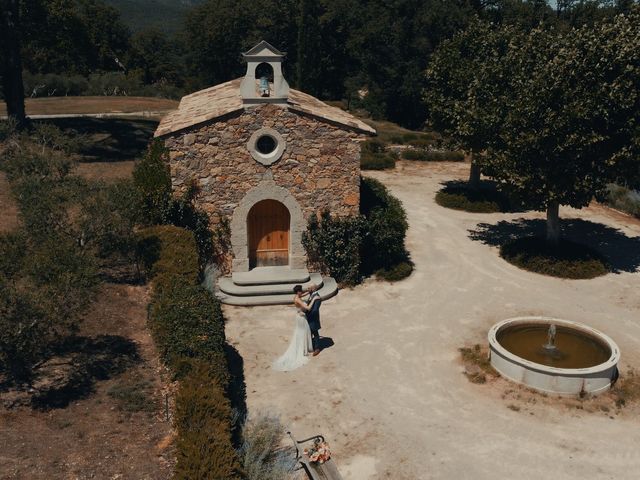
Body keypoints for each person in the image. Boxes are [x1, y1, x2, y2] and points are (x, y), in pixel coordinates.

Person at [272, 285, 314, 371]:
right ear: (298, 291)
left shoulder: (297, 296)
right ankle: (302, 349)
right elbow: (308, 308)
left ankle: (303, 347)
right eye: (301, 290)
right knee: (302, 332)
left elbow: (303, 295)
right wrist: (314, 299)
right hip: (301, 318)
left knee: (301, 332)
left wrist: (309, 291)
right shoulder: (297, 299)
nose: (302, 292)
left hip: (299, 316)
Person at [305, 283, 322, 356]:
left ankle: (317, 348)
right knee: (310, 332)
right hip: (310, 317)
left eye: (308, 288)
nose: (307, 289)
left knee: (315, 333)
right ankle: (311, 345)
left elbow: (315, 310)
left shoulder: (317, 297)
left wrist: (307, 311)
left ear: (312, 289)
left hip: (313, 319)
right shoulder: (312, 295)